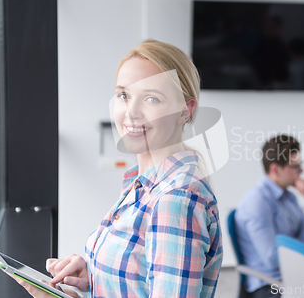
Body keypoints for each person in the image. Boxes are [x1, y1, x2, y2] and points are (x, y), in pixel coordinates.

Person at [12, 40, 223, 297]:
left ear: (184, 110)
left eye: (151, 98)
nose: (131, 112)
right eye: (124, 95)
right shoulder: (142, 184)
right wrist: (96, 276)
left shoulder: (175, 198)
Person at [234, 135, 304, 298]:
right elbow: (272, 260)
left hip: (294, 274)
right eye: (296, 167)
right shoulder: (257, 202)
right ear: (276, 169)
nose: (301, 171)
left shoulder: (288, 196)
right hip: (270, 285)